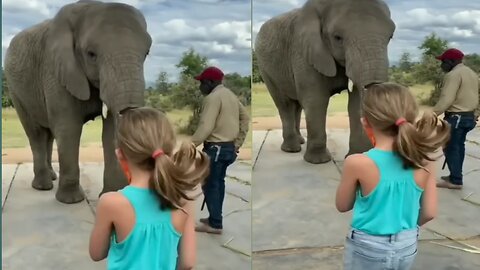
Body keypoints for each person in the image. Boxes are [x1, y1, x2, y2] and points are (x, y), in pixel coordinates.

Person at [335, 83, 450, 270]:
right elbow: (429, 212)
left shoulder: (357, 162)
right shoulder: (425, 161)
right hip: (407, 243)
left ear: (365, 122)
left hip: (367, 245)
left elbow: (342, 205)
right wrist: (403, 231)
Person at [88, 107, 210, 270]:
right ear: (169, 150)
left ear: (120, 154)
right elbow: (187, 263)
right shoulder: (182, 199)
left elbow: (97, 253)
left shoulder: (111, 202)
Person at [191, 66, 250, 234]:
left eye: (202, 82)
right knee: (218, 183)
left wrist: (190, 145)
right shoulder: (230, 95)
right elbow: (245, 118)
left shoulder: (213, 98)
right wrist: (237, 144)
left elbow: (206, 126)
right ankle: (213, 218)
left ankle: (215, 224)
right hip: (228, 149)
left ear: (210, 82)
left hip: (215, 149)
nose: (200, 86)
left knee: (211, 185)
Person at [433, 48, 479, 189]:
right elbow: (477, 95)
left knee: (451, 147)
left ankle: (455, 180)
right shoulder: (471, 73)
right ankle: (455, 175)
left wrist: (433, 114)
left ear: (451, 61)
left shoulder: (453, 75)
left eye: (444, 62)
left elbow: (447, 98)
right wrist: (476, 114)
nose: (442, 65)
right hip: (468, 117)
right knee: (459, 147)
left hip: (456, 117)